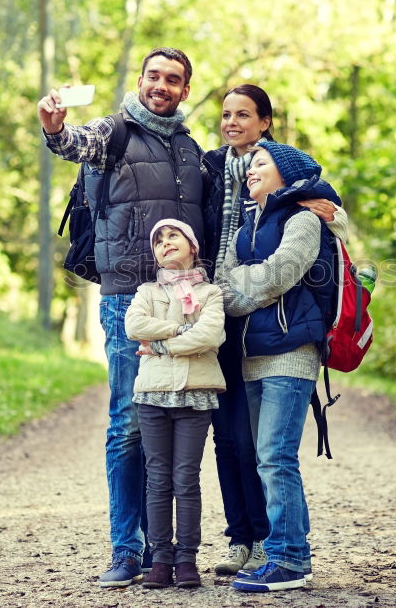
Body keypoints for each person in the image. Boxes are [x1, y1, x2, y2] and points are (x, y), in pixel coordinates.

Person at [36, 48, 221, 588]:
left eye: (174, 80)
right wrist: (55, 130)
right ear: (140, 81)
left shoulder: (190, 149)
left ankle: (165, 551)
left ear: (185, 90)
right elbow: (74, 144)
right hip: (128, 300)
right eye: (154, 77)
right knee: (129, 422)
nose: (162, 86)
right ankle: (127, 549)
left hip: (187, 300)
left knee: (173, 423)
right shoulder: (112, 133)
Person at [203, 85, 347, 576]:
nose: (250, 173)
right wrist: (240, 287)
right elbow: (226, 277)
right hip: (249, 353)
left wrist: (239, 290)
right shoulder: (247, 225)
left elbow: (278, 274)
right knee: (268, 457)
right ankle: (288, 555)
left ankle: (287, 559)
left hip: (289, 352)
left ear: (283, 173)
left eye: (260, 167)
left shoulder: (302, 218)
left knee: (275, 457)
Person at [124, 219, 226, 589]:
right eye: (158, 241)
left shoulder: (211, 294)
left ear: (192, 246)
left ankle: (186, 559)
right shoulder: (147, 291)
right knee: (157, 479)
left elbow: (212, 334)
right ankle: (160, 560)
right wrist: (183, 330)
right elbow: (134, 326)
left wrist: (163, 344)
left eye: (173, 236)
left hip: (196, 394)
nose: (165, 243)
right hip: (152, 395)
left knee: (186, 478)